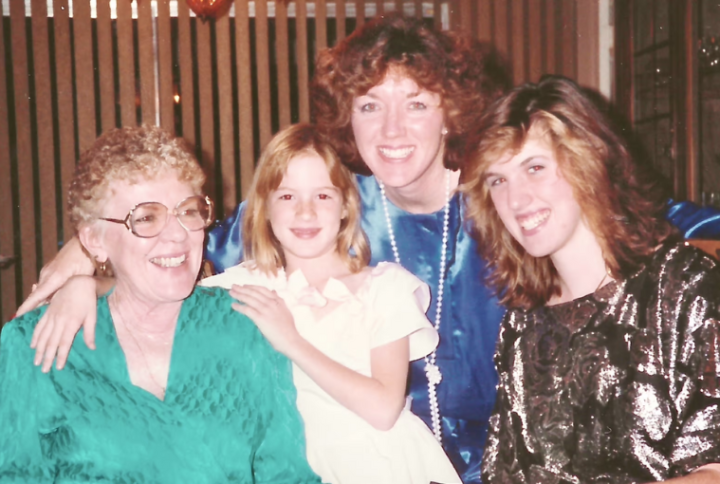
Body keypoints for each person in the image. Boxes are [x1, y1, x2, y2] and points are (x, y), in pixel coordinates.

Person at [20, 14, 507, 481]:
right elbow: (176, 249)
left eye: (416, 104)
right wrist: (86, 263)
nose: (392, 129)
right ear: (348, 120)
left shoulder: (502, 210)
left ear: (451, 114)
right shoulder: (330, 203)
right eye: (369, 106)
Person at [0, 126, 320, 483]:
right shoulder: (35, 344)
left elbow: (286, 473)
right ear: (93, 239)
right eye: (146, 218)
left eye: (188, 211)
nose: (178, 234)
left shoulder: (246, 325)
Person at [460, 76, 720, 483]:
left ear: (590, 161)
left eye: (535, 168)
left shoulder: (685, 287)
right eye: (498, 180)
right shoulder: (523, 321)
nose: (516, 199)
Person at [200, 123, 461, 484]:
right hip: (291, 469)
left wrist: (292, 342)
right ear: (265, 208)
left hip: (379, 466)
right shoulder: (247, 286)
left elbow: (384, 409)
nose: (305, 212)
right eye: (287, 197)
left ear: (345, 206)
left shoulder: (384, 289)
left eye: (322, 196)